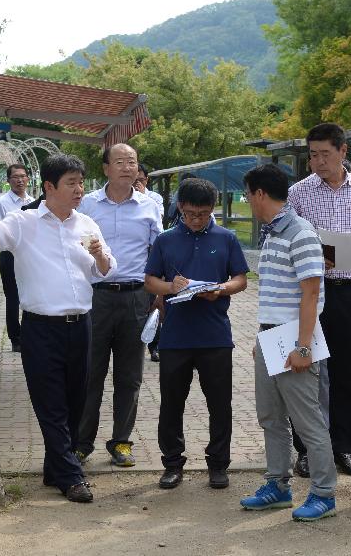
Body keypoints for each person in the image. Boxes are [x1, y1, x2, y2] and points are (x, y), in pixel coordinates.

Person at [0, 153, 115, 503]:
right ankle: (71, 477)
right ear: (49, 187)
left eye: (81, 182)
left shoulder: (87, 225)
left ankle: (55, 468)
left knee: (75, 404)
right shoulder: (24, 222)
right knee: (50, 404)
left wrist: (99, 256)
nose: (79, 189)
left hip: (81, 326)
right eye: (71, 183)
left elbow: (105, 270)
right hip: (40, 328)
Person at [287, 123, 351, 477]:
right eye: (312, 155)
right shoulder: (298, 192)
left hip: (347, 292)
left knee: (346, 374)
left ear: (343, 151)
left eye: (325, 154)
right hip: (310, 292)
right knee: (307, 374)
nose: (317, 162)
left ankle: (342, 448)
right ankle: (306, 450)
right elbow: (281, 233)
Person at [239, 163, 339, 522]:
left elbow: (311, 293)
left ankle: (324, 493)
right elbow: (274, 292)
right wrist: (262, 337)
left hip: (295, 339)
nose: (247, 200)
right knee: (271, 416)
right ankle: (277, 485)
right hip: (272, 336)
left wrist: (303, 346)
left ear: (260, 194)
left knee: (307, 421)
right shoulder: (272, 232)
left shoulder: (300, 232)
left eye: (248, 194)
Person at [144, 178, 249, 490]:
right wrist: (171, 287)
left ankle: (218, 465)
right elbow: (150, 281)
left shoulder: (226, 238)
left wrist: (221, 288)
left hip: (215, 335)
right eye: (190, 213)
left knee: (220, 403)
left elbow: (241, 279)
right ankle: (172, 463)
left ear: (212, 209)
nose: (196, 220)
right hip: (176, 336)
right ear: (179, 208)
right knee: (171, 403)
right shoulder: (165, 240)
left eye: (203, 214)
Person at [76, 143, 163, 467]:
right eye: (120, 162)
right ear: (106, 168)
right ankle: (82, 443)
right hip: (96, 297)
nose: (128, 167)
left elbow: (158, 251)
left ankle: (122, 442)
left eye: (132, 162)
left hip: (136, 298)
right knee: (90, 374)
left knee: (130, 376)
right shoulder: (86, 206)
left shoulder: (149, 206)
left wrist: (159, 295)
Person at [0, 164, 34, 352]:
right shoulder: (2, 203)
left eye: (23, 176)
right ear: (8, 181)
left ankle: (30, 334)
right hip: (9, 254)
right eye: (15, 177)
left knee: (30, 293)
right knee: (13, 297)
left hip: (29, 254)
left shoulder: (34, 201)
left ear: (28, 179)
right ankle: (16, 338)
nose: (20, 180)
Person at [134, 162, 164, 362]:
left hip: (150, 265)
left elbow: (158, 222)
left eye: (141, 180)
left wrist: (141, 195)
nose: (137, 183)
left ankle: (155, 346)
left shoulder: (154, 199)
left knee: (153, 306)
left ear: (147, 179)